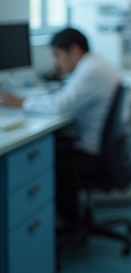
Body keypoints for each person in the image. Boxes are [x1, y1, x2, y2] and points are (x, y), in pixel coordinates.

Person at [0, 28, 121, 224]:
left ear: (74, 51)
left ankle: (70, 223)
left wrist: (21, 102)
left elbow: (60, 105)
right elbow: (68, 96)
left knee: (48, 160)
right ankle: (72, 221)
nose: (57, 63)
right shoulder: (94, 64)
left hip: (93, 155)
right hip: (106, 150)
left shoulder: (91, 70)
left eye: (57, 56)